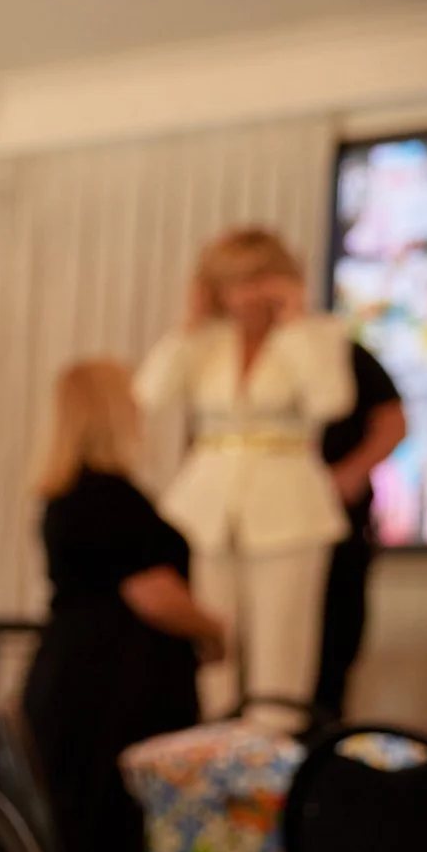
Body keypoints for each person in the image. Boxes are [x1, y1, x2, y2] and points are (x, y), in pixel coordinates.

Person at [23, 360, 226, 852]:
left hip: (78, 680)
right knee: (110, 839)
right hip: (114, 687)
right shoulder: (111, 497)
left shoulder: (64, 496)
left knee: (90, 838)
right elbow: (153, 592)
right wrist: (216, 629)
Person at [135, 227, 353, 733]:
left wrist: (294, 325)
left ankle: (273, 755)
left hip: (289, 508)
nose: (244, 296)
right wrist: (186, 326)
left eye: (256, 281)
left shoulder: (316, 335)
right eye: (232, 283)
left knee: (282, 640)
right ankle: (212, 752)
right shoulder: (205, 341)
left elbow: (331, 402)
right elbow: (148, 394)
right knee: (213, 643)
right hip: (207, 506)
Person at [311, 340, 409, 721]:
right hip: (259, 524)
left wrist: (347, 477)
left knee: (334, 642)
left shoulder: (335, 349)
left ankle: (324, 742)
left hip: (338, 527)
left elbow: (393, 420)